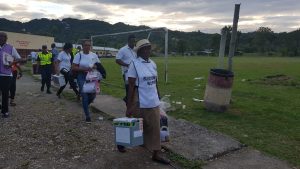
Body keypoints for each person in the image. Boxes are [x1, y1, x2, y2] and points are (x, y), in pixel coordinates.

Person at [126, 39, 170, 164]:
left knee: (156, 128)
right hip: (140, 101)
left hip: (153, 101)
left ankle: (156, 154)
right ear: (139, 51)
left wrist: (158, 96)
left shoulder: (153, 64)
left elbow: (155, 82)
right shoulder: (134, 64)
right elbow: (131, 86)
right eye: (144, 48)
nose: (147, 51)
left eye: (149, 48)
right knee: (139, 126)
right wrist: (129, 106)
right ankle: (124, 142)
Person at [72, 40, 101, 123]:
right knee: (85, 96)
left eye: (89, 45)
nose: (88, 47)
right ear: (82, 46)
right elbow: (73, 67)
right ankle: (87, 116)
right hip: (82, 76)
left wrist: (95, 67)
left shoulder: (94, 55)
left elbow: (98, 65)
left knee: (93, 96)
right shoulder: (79, 55)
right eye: (86, 45)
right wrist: (85, 69)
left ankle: (85, 105)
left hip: (92, 77)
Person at [0, 32, 21, 118]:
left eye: (3, 37)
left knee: (5, 94)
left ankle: (5, 111)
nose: (1, 38)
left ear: (6, 38)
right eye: (0, 37)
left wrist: (11, 63)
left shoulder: (11, 48)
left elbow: (18, 58)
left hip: (6, 75)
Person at [116, 34, 137, 104]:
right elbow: (117, 60)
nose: (133, 43)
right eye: (132, 41)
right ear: (128, 41)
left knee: (135, 89)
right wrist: (127, 65)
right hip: (127, 73)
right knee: (129, 89)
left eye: (134, 41)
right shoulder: (123, 50)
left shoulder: (136, 49)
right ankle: (128, 106)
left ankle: (127, 100)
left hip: (136, 72)